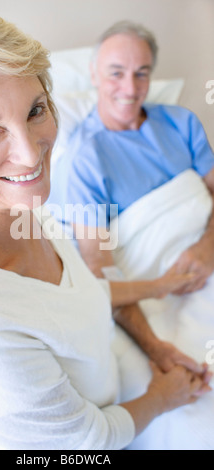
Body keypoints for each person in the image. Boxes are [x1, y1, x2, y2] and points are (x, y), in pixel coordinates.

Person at [0, 8, 211, 451]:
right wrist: (163, 396)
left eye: (35, 110)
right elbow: (85, 444)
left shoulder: (29, 213)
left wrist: (158, 334)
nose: (31, 155)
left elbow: (80, 296)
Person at [48, 21, 214, 293]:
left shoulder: (182, 123)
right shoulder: (85, 158)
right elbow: (100, 267)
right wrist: (152, 338)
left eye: (141, 73)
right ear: (94, 74)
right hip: (161, 287)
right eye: (116, 73)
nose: (130, 88)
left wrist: (208, 247)